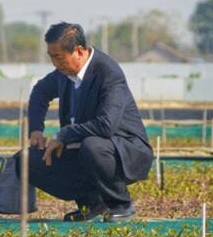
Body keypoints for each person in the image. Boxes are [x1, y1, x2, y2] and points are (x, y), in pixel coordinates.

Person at [16, 22, 153, 221]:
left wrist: (64, 134)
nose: (55, 63)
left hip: (124, 150)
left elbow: (106, 126)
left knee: (93, 146)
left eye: (58, 57)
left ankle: (121, 204)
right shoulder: (64, 73)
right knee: (26, 159)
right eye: (51, 57)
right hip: (83, 150)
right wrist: (35, 130)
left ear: (78, 51)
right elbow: (40, 91)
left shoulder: (109, 74)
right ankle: (92, 204)